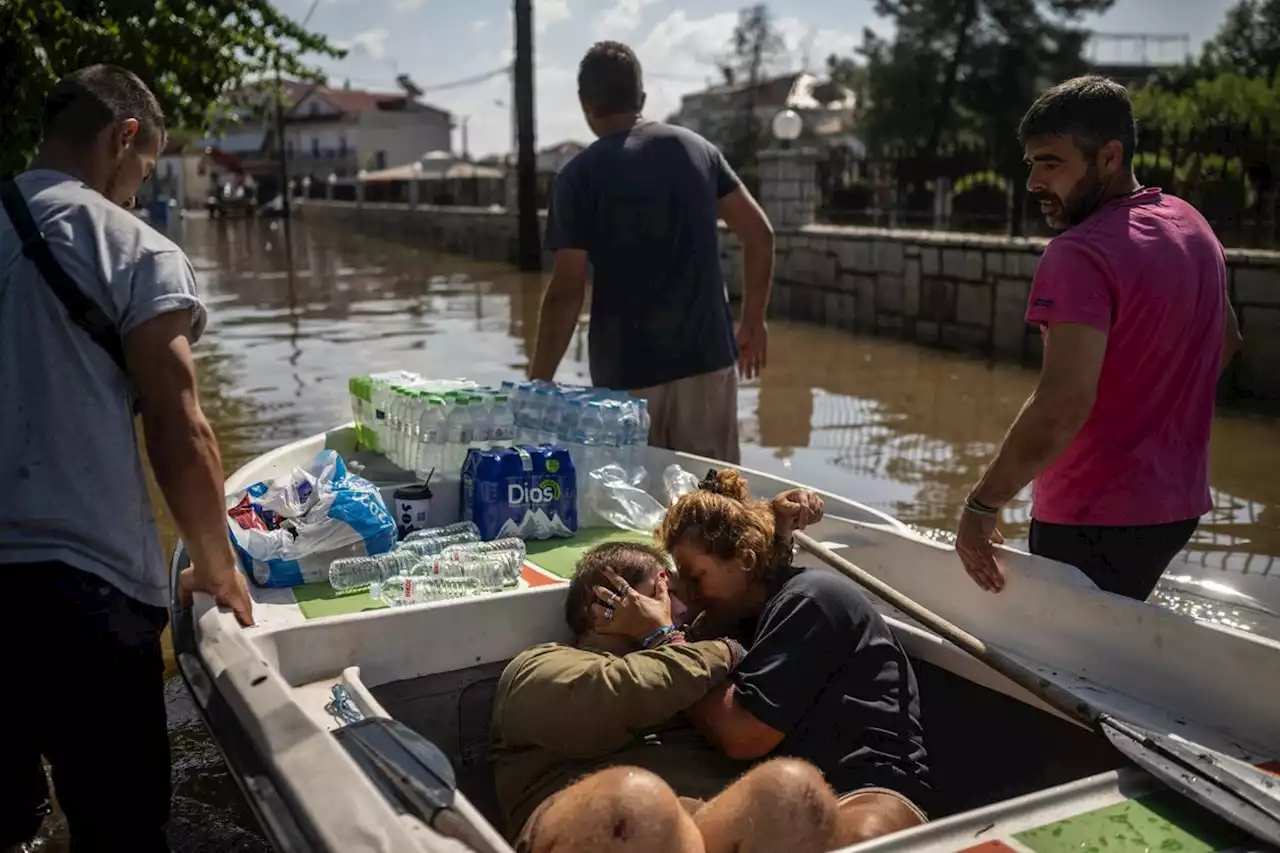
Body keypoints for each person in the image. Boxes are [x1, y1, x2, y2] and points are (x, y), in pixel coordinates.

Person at [0, 65, 254, 851]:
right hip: (87, 593)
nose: (138, 194)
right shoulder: (134, 249)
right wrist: (216, 566)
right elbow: (179, 432)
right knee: (123, 829)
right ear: (125, 138)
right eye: (141, 174)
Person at [953, 75, 1243, 602]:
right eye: (1032, 163)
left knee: (1058, 666)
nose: (1034, 182)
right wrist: (1148, 411)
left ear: (1109, 156)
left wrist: (981, 506)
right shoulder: (1193, 226)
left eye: (1052, 162)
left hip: (1093, 514)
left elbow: (1061, 404)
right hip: (1178, 507)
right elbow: (1225, 342)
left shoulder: (1079, 253)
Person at [489, 541, 841, 853]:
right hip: (600, 825)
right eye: (663, 591)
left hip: (703, 825)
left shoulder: (691, 668)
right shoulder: (539, 666)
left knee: (793, 793)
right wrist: (696, 643)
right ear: (601, 601)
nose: (682, 609)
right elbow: (622, 691)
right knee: (635, 803)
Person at [528, 41, 776, 464]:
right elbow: (760, 233)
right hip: (707, 361)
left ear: (586, 105)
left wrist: (538, 384)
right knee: (716, 510)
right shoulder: (698, 150)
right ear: (640, 98)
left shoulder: (577, 176)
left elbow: (567, 290)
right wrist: (753, 322)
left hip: (626, 379)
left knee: (634, 515)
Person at [653, 471, 931, 847]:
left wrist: (665, 638)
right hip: (783, 798)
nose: (688, 592)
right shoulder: (737, 613)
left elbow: (744, 735)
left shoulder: (811, 600)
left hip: (866, 793)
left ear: (746, 559)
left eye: (696, 577)